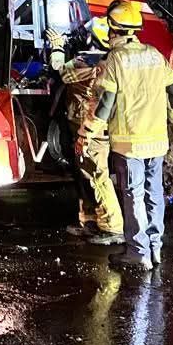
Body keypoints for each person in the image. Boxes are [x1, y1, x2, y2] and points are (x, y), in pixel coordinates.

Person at [80, 0, 173, 271]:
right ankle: (155, 249)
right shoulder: (154, 54)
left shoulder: (115, 60)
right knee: (154, 194)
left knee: (134, 195)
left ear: (114, 30)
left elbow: (105, 105)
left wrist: (86, 134)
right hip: (157, 142)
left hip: (130, 146)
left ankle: (137, 252)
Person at [50, 17, 123, 245]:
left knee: (97, 175)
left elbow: (61, 69)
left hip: (90, 129)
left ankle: (113, 228)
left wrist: (57, 45)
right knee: (86, 175)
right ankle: (90, 221)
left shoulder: (88, 64)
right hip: (88, 127)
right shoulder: (107, 61)